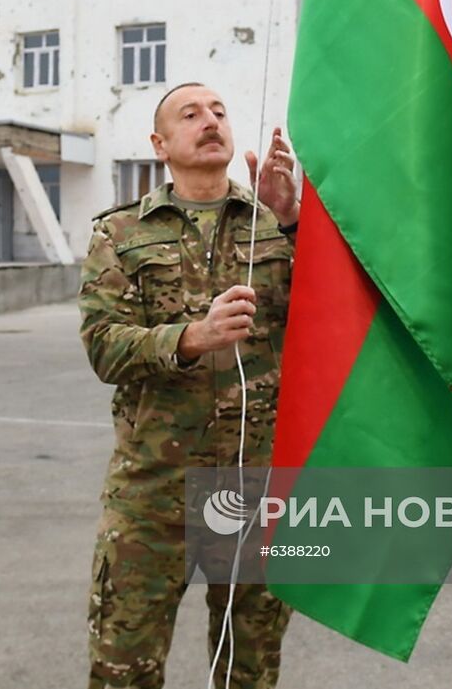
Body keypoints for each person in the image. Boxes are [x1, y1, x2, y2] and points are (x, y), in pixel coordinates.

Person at [79, 82, 300, 688]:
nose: (210, 120)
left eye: (220, 112)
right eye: (191, 113)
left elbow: (332, 322)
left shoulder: (275, 224)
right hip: (154, 493)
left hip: (256, 486)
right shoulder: (121, 233)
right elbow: (104, 345)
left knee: (250, 668)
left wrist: (292, 222)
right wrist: (191, 337)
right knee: (123, 667)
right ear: (160, 143)